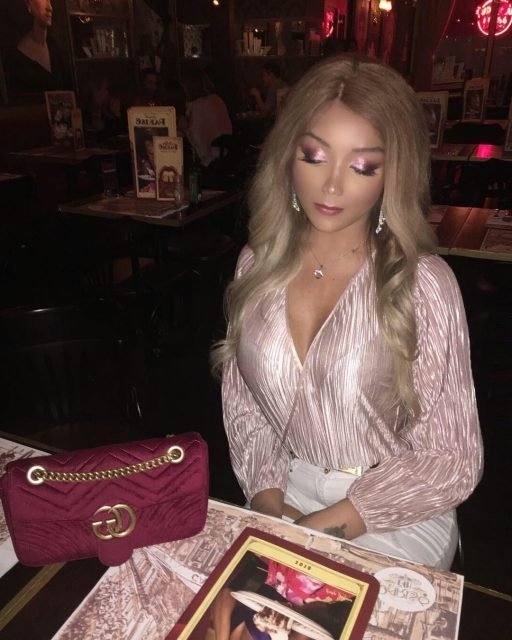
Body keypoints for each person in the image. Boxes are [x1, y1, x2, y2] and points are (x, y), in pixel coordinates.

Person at [212, 54, 483, 570]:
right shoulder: (257, 264)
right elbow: (245, 408)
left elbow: (452, 459)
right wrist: (268, 505)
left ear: (391, 175)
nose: (332, 185)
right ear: (288, 155)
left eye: (362, 166)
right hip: (282, 489)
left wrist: (315, 531)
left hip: (393, 506)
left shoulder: (424, 284)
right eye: (315, 156)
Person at [10, 0, 68, 91]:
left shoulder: (53, 46)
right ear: (28, 4)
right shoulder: (18, 57)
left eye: (50, 1)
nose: (50, 8)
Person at [182, 68, 233, 168]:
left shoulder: (199, 105)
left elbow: (196, 139)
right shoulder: (218, 100)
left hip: (210, 158)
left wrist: (184, 129)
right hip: (227, 152)